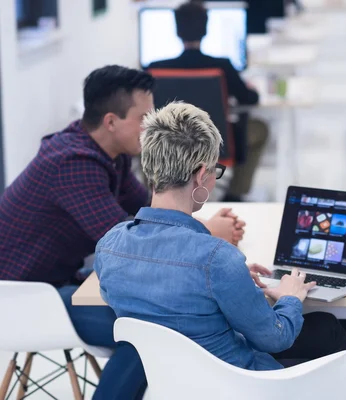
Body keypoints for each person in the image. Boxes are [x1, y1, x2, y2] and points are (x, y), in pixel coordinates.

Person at [93, 102, 346, 398]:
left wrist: (233, 281)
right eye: (215, 170)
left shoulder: (109, 248)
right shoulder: (216, 258)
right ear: (201, 175)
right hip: (241, 387)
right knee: (326, 327)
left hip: (173, 386)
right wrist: (291, 297)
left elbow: (163, 294)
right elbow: (276, 337)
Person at [0, 66, 244, 399]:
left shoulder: (108, 155)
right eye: (144, 117)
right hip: (19, 300)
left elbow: (153, 212)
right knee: (148, 328)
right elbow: (134, 248)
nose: (151, 126)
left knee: (160, 313)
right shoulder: (72, 164)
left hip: (54, 281)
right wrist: (207, 230)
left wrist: (197, 219)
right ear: (111, 121)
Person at [148, 1, 269, 202]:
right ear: (205, 30)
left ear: (177, 30)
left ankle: (154, 192)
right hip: (215, 144)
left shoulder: (155, 68)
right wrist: (250, 89)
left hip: (170, 146)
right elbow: (250, 99)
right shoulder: (222, 66)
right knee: (260, 129)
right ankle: (234, 194)